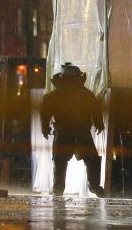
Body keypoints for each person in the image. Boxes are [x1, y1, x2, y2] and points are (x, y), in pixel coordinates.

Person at [40, 63, 105, 197]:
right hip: (73, 132)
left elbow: (45, 112)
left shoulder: (57, 95)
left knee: (61, 163)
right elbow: (45, 112)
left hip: (72, 133)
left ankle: (61, 190)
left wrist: (45, 126)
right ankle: (92, 186)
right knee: (67, 162)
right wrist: (99, 123)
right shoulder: (83, 94)